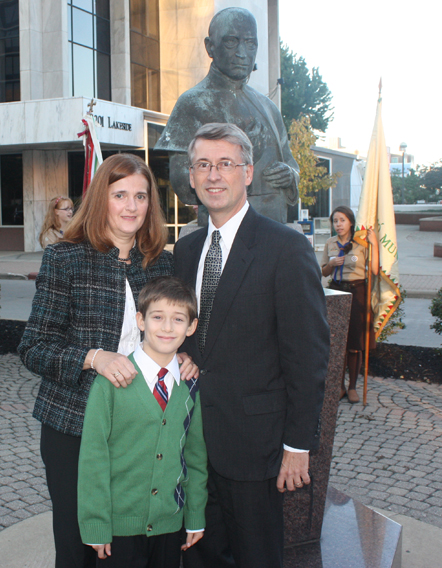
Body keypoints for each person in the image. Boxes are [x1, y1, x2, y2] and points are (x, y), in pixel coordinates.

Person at [18, 154, 197, 568]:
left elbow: (166, 330)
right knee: (79, 546)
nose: (131, 206)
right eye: (120, 195)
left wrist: (181, 354)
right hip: (73, 427)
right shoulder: (66, 259)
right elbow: (33, 346)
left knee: (125, 547)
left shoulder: (161, 263)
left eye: (140, 196)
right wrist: (92, 357)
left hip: (139, 431)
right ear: (102, 199)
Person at [174, 123, 330, 568]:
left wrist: (298, 446)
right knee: (200, 556)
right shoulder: (186, 251)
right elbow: (193, 333)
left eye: (226, 164)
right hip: (193, 441)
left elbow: (308, 355)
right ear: (191, 176)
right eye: (203, 165)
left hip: (256, 449)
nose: (214, 175)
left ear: (248, 172)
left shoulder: (285, 248)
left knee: (257, 558)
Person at [78, 276, 208, 568]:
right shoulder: (110, 383)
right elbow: (93, 458)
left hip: (169, 526)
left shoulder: (190, 387)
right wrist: (97, 523)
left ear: (191, 327)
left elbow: (195, 457)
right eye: (157, 317)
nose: (166, 327)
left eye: (178, 319)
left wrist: (195, 516)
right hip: (119, 529)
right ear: (140, 320)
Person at [155, 7, 299, 224]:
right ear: (210, 46)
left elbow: (291, 163)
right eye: (231, 42)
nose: (242, 53)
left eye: (250, 44)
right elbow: (183, 184)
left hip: (275, 231)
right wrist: (241, 155)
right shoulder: (192, 102)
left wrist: (289, 175)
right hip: (224, 231)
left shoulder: (268, 106)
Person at [321, 206, 379, 404]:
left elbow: (374, 271)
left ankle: (353, 387)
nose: (338, 224)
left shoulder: (361, 244)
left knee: (354, 344)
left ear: (351, 222)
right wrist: (331, 264)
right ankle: (339, 387)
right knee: (337, 344)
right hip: (336, 291)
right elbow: (323, 272)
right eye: (335, 221)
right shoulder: (330, 243)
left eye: (342, 220)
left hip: (357, 293)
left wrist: (374, 244)